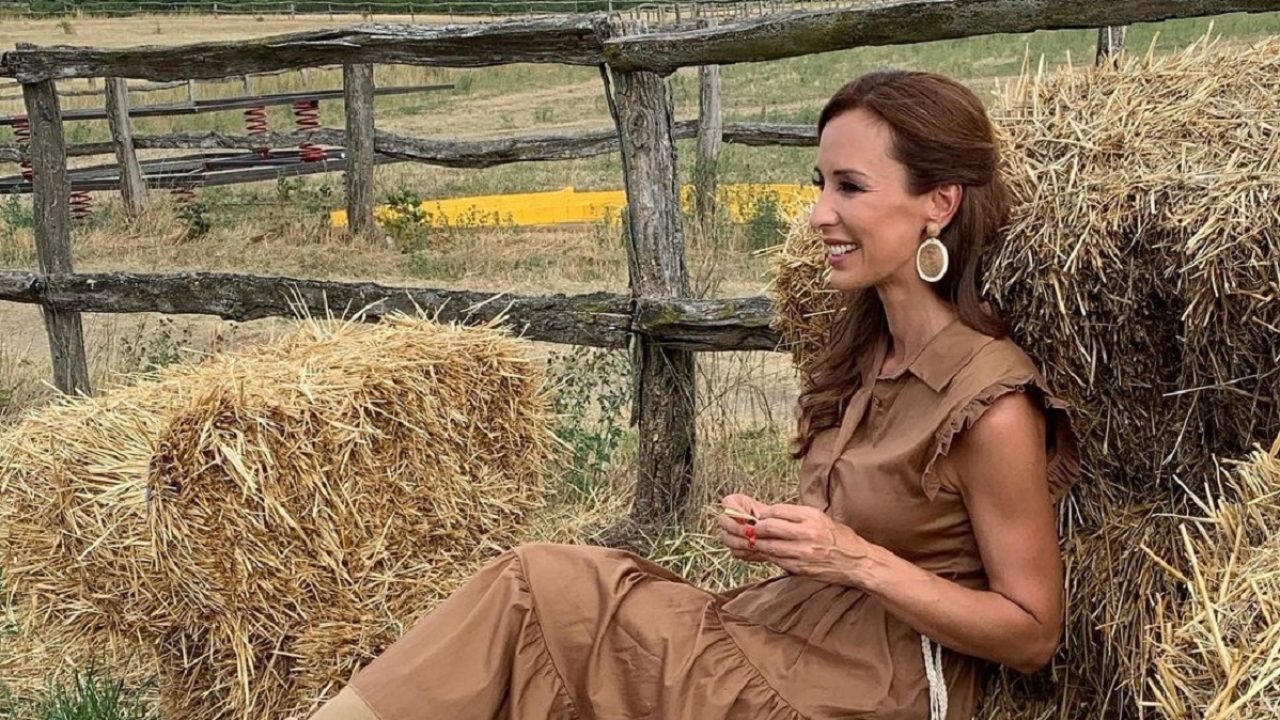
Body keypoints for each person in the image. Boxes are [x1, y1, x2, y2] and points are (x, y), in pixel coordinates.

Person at [309, 69, 1078, 720]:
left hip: (852, 693)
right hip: (775, 640)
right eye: (820, 185)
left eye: (850, 187)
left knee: (539, 587)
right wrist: (779, 534)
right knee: (545, 614)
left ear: (939, 203)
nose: (819, 215)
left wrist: (855, 559)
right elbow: (862, 532)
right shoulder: (867, 355)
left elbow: (1032, 632)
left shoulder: (991, 402)